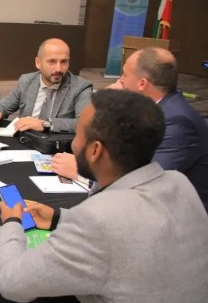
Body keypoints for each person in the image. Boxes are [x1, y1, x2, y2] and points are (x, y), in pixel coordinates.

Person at [0, 89, 208, 303]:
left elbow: (13, 283)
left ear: (95, 150)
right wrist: (59, 218)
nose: (73, 144)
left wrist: (12, 222)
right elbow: (132, 229)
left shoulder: (96, 217)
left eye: (78, 135)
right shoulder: (179, 182)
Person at [52, 47, 208, 211]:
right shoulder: (149, 110)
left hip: (176, 216)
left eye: (125, 75)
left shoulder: (178, 122)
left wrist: (86, 171)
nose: (121, 81)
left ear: (142, 83)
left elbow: (146, 183)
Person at [0, 38, 92, 133]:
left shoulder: (81, 87)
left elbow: (85, 124)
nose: (58, 69)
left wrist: (44, 124)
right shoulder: (27, 81)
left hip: (56, 146)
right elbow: (2, 107)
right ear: (38, 63)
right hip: (25, 141)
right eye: (52, 61)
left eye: (64, 62)